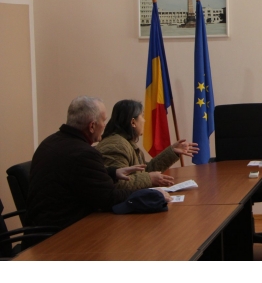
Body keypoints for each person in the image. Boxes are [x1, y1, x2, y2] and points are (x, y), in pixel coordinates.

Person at [26, 96, 169, 232]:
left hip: (41, 227)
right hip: (62, 235)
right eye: (103, 120)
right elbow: (109, 198)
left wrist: (112, 172)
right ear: (92, 126)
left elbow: (78, 175)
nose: (105, 125)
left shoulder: (49, 142)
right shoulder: (83, 153)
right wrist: (151, 194)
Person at [96, 99, 199, 189]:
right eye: (142, 116)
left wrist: (172, 152)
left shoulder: (125, 142)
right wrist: (149, 179)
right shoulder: (116, 145)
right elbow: (117, 183)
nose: (144, 120)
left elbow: (145, 171)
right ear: (133, 122)